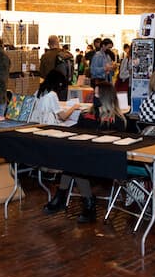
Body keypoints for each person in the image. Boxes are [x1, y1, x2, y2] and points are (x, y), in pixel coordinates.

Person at [47, 79, 120, 223]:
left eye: (98, 95)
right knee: (75, 162)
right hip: (86, 157)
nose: (95, 98)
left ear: (106, 97)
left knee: (75, 163)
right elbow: (76, 131)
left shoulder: (115, 120)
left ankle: (63, 196)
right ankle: (86, 203)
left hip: (105, 160)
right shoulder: (87, 115)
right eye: (95, 94)